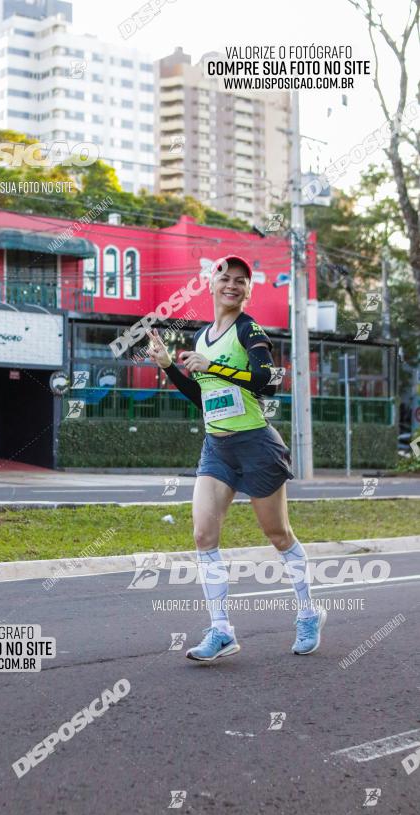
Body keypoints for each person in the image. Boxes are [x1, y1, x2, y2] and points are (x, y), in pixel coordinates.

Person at [146, 255, 326, 662]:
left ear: (249, 290)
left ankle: (309, 614)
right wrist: (170, 367)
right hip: (217, 448)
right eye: (224, 277)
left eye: (240, 280)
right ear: (211, 283)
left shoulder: (251, 330)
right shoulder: (203, 337)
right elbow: (203, 399)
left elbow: (267, 384)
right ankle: (221, 630)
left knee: (278, 535)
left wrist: (216, 368)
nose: (232, 284)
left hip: (256, 446)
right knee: (202, 536)